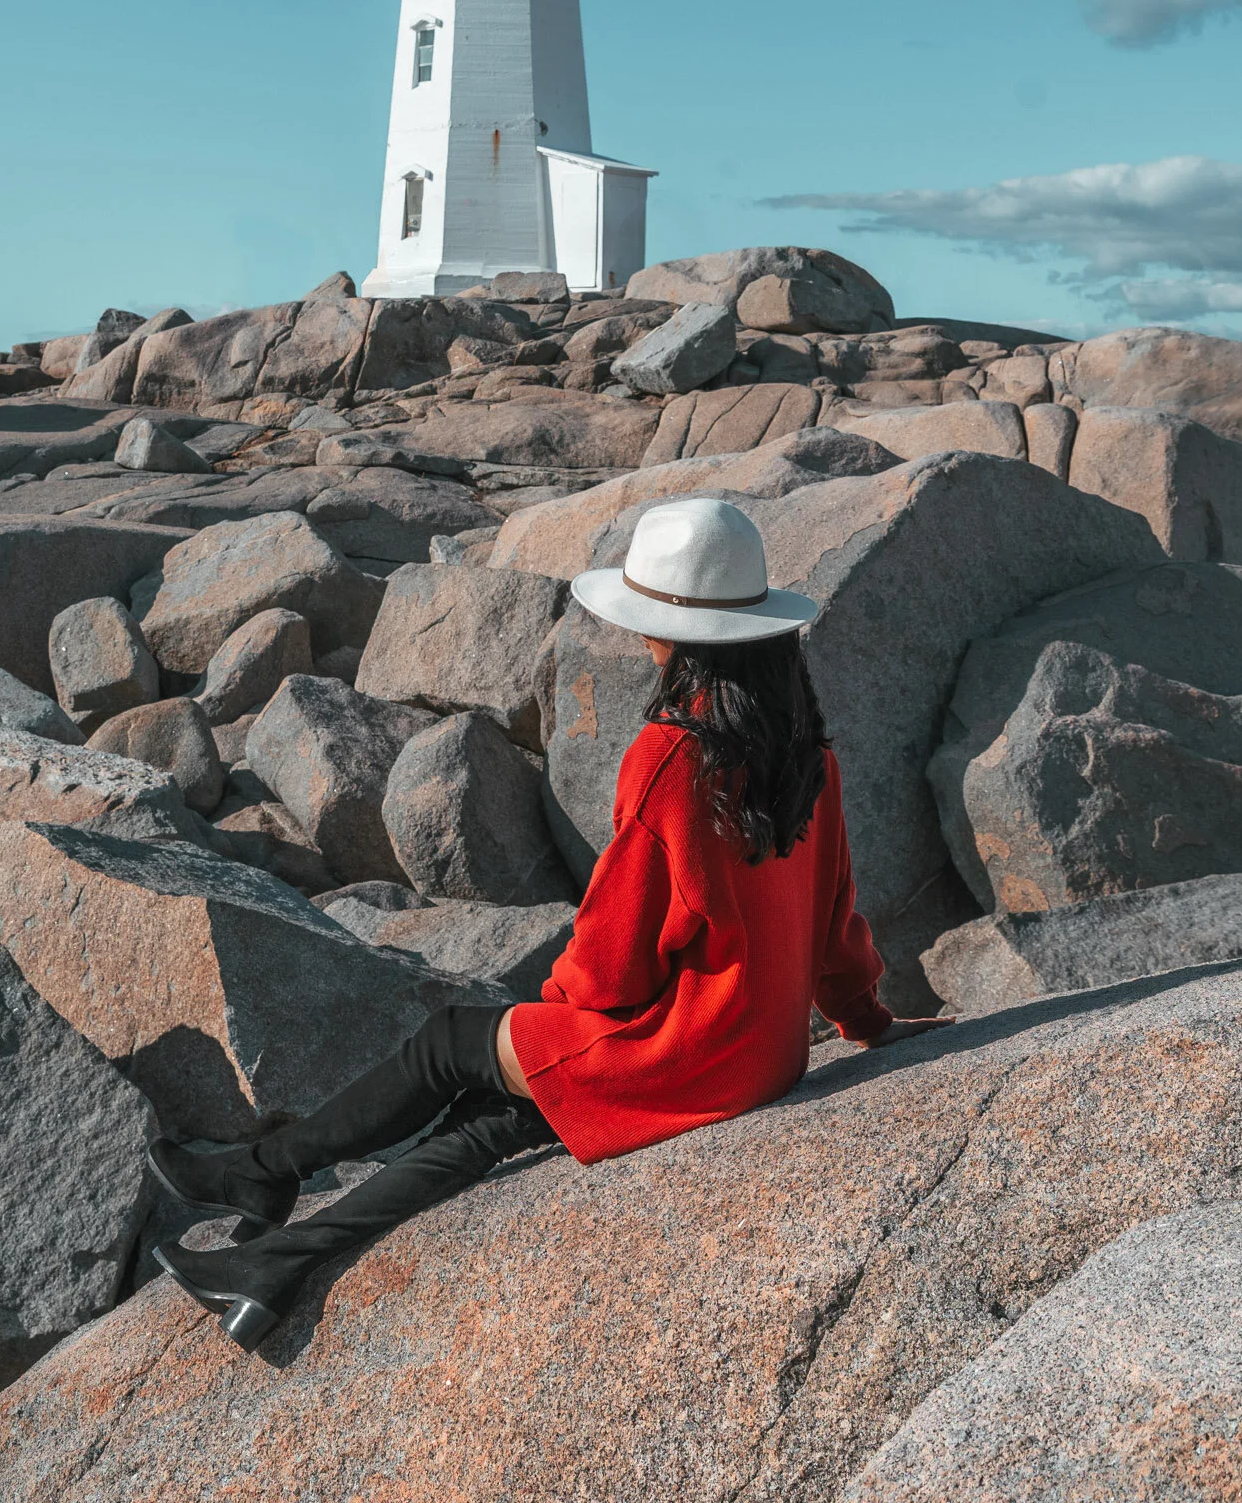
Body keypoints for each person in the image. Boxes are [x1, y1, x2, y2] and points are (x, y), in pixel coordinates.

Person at [149, 495, 950, 1350]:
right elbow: (832, 918)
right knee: (497, 1117)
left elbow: (614, 956)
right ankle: (266, 1268)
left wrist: (557, 1014)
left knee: (453, 1041)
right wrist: (867, 1021)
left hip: (686, 1053)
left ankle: (263, 1172)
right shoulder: (805, 752)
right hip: (763, 1055)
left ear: (671, 632)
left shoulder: (673, 754)